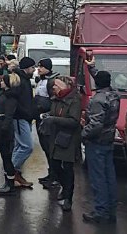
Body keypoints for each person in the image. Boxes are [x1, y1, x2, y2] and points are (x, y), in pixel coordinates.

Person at [81, 70, 120, 224]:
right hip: (109, 139)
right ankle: (111, 210)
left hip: (96, 141)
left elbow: (96, 125)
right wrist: (92, 69)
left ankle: (101, 211)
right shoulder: (114, 95)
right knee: (110, 176)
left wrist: (83, 133)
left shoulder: (98, 100)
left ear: (96, 83)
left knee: (98, 178)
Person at [38, 77, 81, 211]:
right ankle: (65, 188)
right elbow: (54, 114)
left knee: (67, 168)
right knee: (55, 165)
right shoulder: (56, 99)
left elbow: (74, 121)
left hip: (68, 139)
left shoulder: (74, 100)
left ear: (64, 85)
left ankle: (68, 197)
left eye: (56, 85)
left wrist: (53, 119)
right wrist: (47, 116)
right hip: (55, 137)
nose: (53, 88)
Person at [0, 73, 22, 197]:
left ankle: (10, 184)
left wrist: (2, 131)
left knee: (7, 158)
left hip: (4, 132)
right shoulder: (3, 93)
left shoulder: (11, 98)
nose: (0, 82)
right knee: (5, 158)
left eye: (3, 81)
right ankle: (8, 182)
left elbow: (9, 116)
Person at [11, 56, 36, 188]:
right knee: (27, 147)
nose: (34, 69)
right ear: (27, 68)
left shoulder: (24, 79)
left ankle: (16, 175)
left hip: (23, 117)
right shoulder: (20, 81)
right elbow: (15, 100)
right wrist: (26, 113)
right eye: (32, 67)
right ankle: (11, 171)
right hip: (20, 118)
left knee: (19, 146)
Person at [34, 58, 59, 187]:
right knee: (45, 147)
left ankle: (55, 176)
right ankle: (51, 173)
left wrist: (47, 114)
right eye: (38, 66)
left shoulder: (51, 81)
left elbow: (54, 101)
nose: (39, 69)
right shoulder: (41, 80)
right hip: (40, 117)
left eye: (42, 67)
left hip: (47, 119)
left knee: (50, 148)